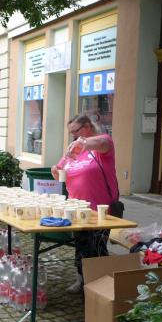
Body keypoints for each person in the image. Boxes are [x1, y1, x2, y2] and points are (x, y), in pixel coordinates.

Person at [51, 114, 120, 294]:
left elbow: (101, 143)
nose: (73, 135)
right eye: (71, 133)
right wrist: (55, 170)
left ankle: (100, 287)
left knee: (96, 248)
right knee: (81, 246)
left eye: (76, 131)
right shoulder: (73, 150)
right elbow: (59, 171)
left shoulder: (103, 143)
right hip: (77, 209)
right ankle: (81, 279)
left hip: (99, 210)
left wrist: (83, 143)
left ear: (88, 126)